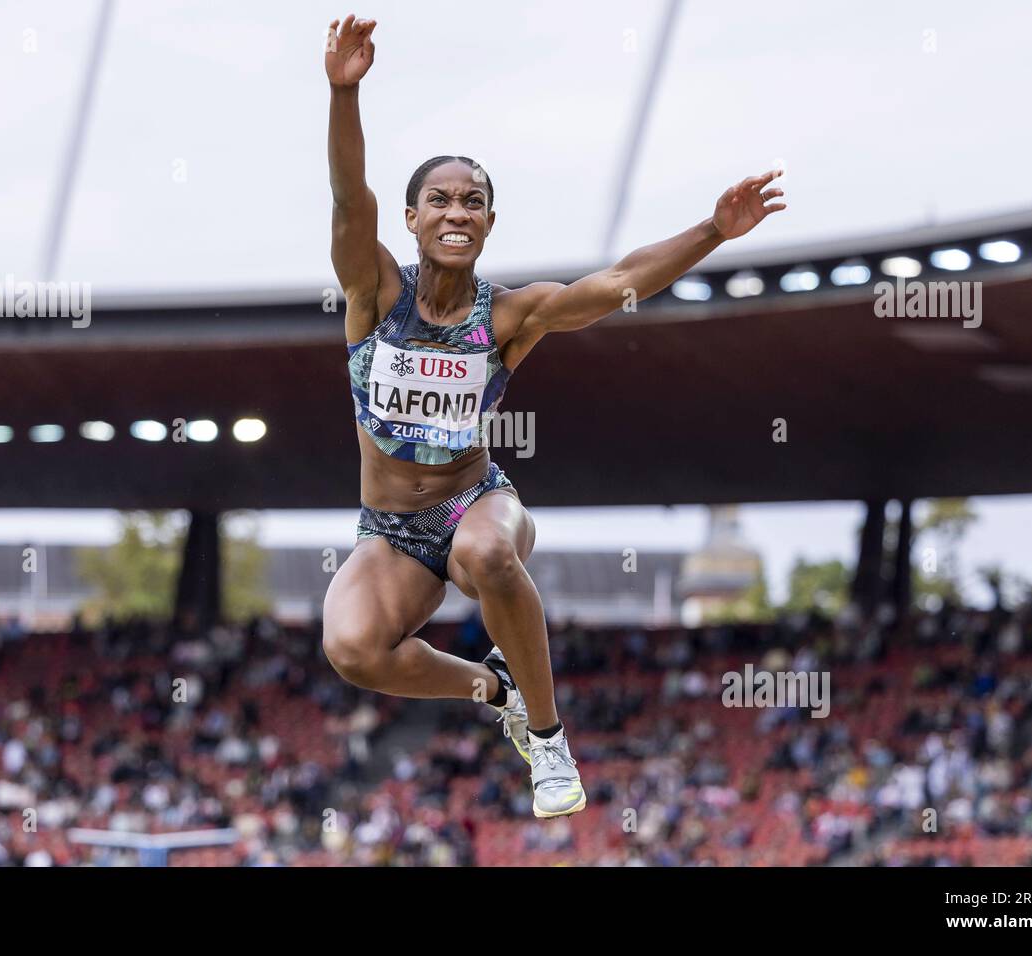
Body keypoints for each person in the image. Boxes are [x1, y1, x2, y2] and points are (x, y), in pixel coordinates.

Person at [321, 13, 786, 818]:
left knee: (490, 552)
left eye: (474, 202)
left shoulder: (509, 317)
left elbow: (619, 283)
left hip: (475, 500)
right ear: (411, 219)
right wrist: (344, 92)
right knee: (354, 650)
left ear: (490, 224)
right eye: (439, 200)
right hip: (388, 530)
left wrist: (714, 229)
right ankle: (491, 687)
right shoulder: (374, 290)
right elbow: (346, 194)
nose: (456, 212)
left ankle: (547, 737)